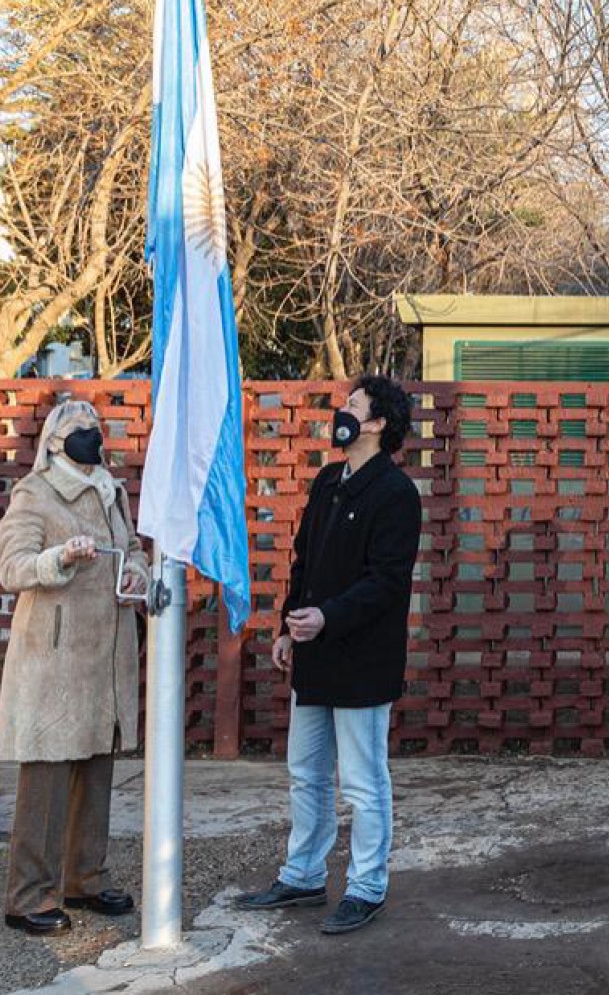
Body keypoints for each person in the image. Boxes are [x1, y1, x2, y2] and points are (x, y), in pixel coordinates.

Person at [235, 376, 422, 936]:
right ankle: (303, 875)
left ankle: (367, 886)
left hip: (363, 661)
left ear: (378, 423)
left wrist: (329, 618)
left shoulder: (396, 494)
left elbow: (387, 582)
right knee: (306, 775)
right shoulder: (325, 483)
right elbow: (304, 563)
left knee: (364, 782)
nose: (340, 413)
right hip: (313, 657)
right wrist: (289, 624)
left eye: (352, 406)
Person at [0, 398, 149, 936]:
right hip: (54, 662)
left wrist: (136, 573)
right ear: (54, 440)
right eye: (80, 429)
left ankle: (85, 875)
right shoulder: (33, 494)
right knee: (47, 778)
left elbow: (133, 550)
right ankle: (28, 895)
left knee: (96, 771)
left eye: (96, 428)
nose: (92, 437)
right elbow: (12, 567)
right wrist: (58, 558)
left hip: (105, 659)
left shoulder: (112, 491)